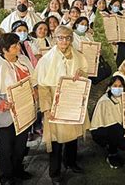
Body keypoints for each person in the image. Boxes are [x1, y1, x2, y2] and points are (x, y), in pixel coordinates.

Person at [34, 26, 89, 184]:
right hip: (54, 102)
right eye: (60, 38)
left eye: (67, 37)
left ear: (71, 39)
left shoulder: (78, 56)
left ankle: (70, 162)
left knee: (72, 136)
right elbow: (42, 85)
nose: (64, 41)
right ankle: (55, 173)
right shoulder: (46, 60)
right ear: (54, 38)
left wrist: (81, 75)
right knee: (56, 140)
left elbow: (84, 73)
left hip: (72, 100)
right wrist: (46, 108)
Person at [0, 33, 35, 185]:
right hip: (5, 114)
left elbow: (33, 80)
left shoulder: (24, 60)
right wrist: (1, 103)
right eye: (14, 46)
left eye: (18, 44)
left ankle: (18, 170)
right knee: (6, 147)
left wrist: (34, 91)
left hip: (23, 110)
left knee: (20, 145)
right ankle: (6, 176)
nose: (19, 47)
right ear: (4, 49)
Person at [90, 75, 125, 169]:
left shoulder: (123, 98)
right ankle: (112, 153)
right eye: (115, 86)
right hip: (101, 130)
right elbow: (111, 125)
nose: (118, 88)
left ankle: (113, 147)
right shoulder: (105, 101)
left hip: (115, 128)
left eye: (120, 86)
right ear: (110, 87)